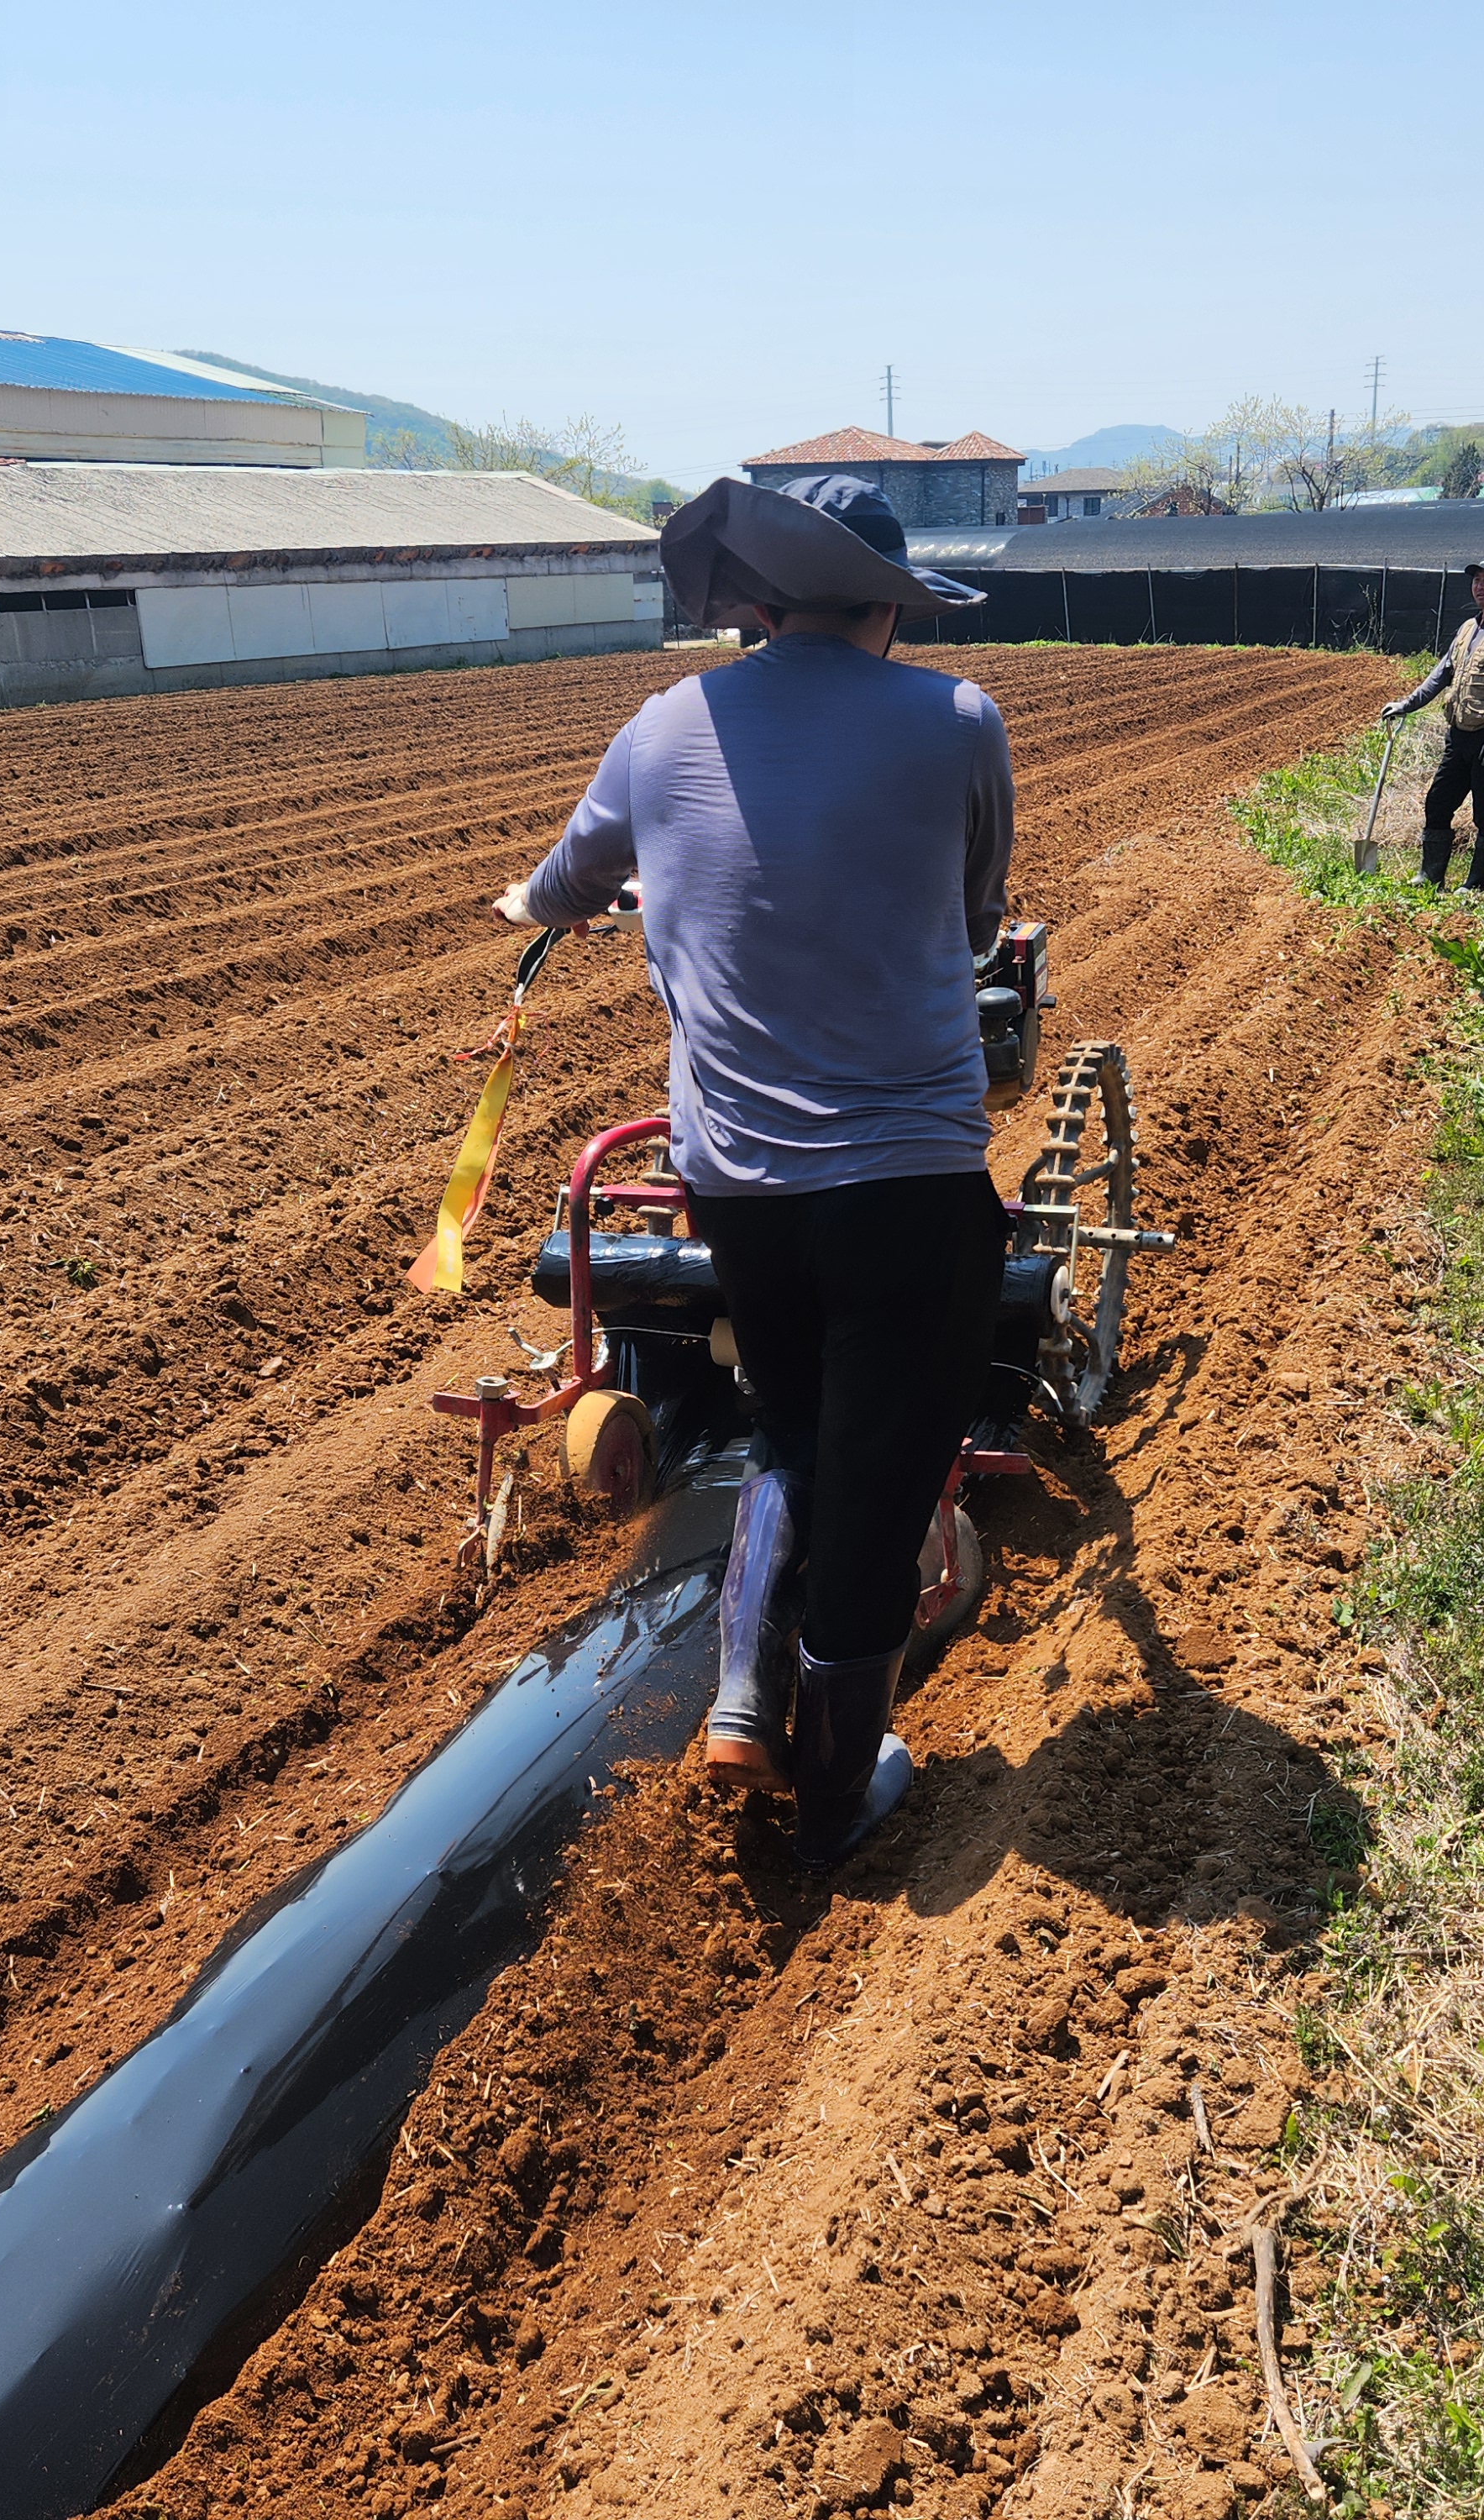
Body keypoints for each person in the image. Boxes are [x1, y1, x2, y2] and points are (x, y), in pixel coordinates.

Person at [490, 474, 1011, 1866]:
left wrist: (582, 898)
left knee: (788, 1421)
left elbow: (554, 889)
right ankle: (837, 1803)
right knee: (886, 1473)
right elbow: (972, 925)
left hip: (739, 1189)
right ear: (892, 607)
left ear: (760, 604)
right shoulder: (959, 722)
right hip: (904, 1184)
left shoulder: (662, 729)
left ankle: (737, 1704)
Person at [1385, 557, 1484, 890]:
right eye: (1476, 579)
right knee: (1438, 802)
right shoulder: (1467, 630)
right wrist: (1406, 705)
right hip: (1459, 735)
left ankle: (1476, 883)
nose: (1480, 586)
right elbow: (1440, 677)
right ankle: (1430, 875)